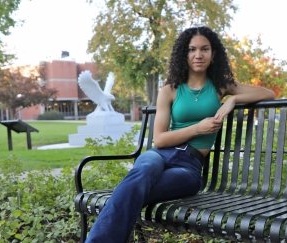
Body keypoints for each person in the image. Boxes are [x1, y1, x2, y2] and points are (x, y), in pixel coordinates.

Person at [85, 26, 276, 242]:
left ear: (213, 54)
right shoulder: (170, 89)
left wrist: (233, 99)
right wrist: (198, 128)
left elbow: (267, 93)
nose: (198, 55)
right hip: (159, 154)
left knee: (133, 189)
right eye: (192, 49)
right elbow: (160, 139)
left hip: (189, 166)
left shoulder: (220, 86)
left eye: (204, 49)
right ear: (183, 55)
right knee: (144, 171)